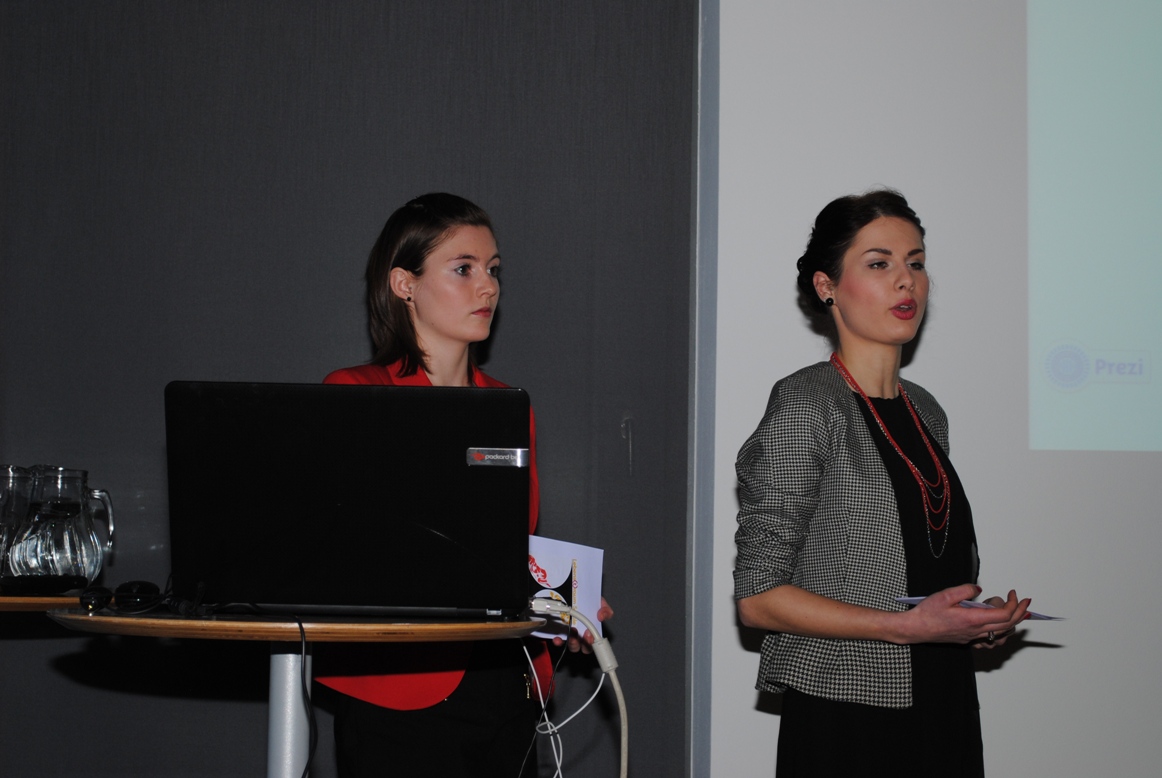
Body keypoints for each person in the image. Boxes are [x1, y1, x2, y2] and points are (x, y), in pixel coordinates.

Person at [733, 189, 1030, 777]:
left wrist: (970, 622)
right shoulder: (806, 404)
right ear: (826, 286)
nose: (906, 280)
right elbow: (759, 598)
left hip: (943, 700)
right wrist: (906, 628)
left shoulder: (927, 411)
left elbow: (914, 568)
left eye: (916, 263)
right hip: (850, 712)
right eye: (879, 263)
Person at [316, 193, 612, 777]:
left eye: (493, 270)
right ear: (404, 284)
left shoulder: (509, 406)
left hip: (505, 679)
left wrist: (566, 601)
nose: (488, 287)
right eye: (463, 268)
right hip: (402, 687)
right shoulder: (353, 393)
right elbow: (358, 553)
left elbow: (504, 548)